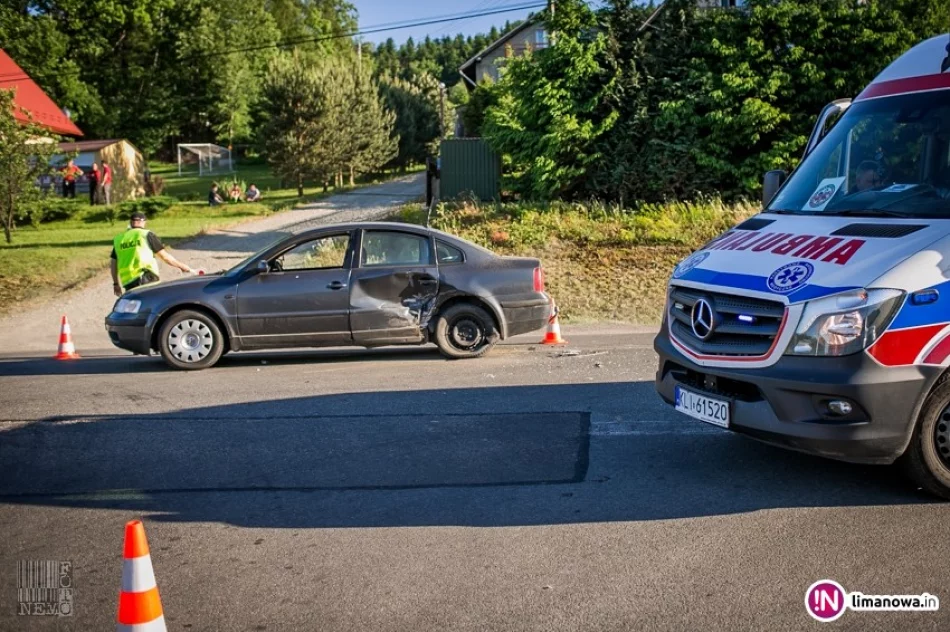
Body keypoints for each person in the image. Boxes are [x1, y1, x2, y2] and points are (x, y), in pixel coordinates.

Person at [111, 211, 197, 296]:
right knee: (155, 301)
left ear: (131, 222)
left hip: (128, 282)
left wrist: (116, 284)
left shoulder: (119, 239)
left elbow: (113, 264)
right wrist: (183, 267)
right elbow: (165, 257)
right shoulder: (145, 234)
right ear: (143, 222)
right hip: (146, 277)